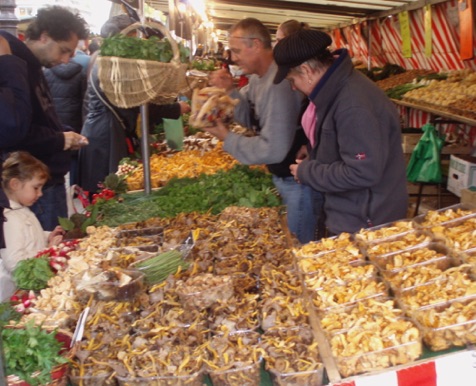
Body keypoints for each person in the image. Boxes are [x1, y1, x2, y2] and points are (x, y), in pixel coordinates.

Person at [273, 29, 409, 236]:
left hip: (367, 223)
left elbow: (362, 171)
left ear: (307, 71)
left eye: (292, 80)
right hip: (355, 215)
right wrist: (316, 153)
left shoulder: (352, 105)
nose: (293, 88)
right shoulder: (337, 89)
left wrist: (308, 172)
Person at [203, 18, 317, 244]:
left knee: (298, 249)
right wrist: (231, 92)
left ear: (255, 44)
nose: (233, 58)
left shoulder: (278, 85)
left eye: (236, 51)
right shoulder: (258, 79)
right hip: (284, 177)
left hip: (297, 183)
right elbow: (249, 119)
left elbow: (273, 148)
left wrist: (226, 138)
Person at [78, 14, 190, 195]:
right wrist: (174, 109)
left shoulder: (103, 58)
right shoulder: (114, 63)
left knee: (106, 185)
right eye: (133, 39)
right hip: (106, 134)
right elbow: (136, 102)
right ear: (120, 39)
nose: (137, 43)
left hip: (100, 128)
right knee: (106, 188)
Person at [0, 6, 90, 231]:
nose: (67, 59)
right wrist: (59, 139)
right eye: (63, 50)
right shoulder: (15, 65)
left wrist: (64, 132)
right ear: (44, 37)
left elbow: (41, 116)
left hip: (48, 179)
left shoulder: (33, 66)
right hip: (36, 185)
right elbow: (15, 130)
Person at [0, 151, 65, 302]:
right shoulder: (9, 219)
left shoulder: (20, 209)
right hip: (17, 292)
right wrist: (47, 250)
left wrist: (47, 235)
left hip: (32, 280)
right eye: (36, 188)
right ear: (15, 184)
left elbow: (29, 235)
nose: (40, 193)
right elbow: (15, 263)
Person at [44, 59, 87, 186]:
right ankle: (73, 184)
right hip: (74, 117)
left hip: (55, 118)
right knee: (74, 152)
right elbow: (84, 99)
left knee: (59, 147)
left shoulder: (46, 72)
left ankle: (60, 180)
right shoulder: (80, 74)